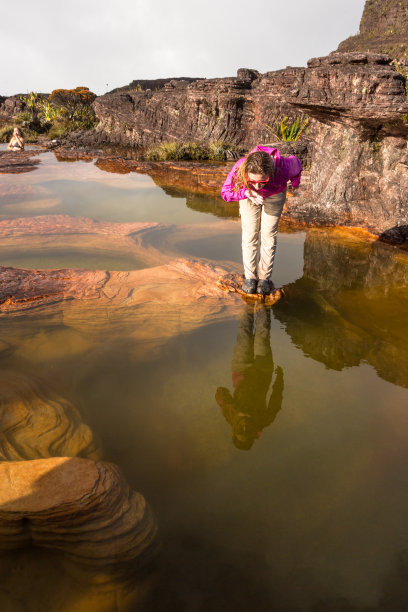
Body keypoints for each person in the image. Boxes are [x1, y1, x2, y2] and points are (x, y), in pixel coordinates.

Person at [221, 145, 301, 295]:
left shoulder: (284, 168)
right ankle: (250, 278)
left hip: (274, 194)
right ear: (246, 172)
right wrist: (247, 191)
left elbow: (297, 164)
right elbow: (225, 193)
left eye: (262, 182)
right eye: (253, 181)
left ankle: (264, 279)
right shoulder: (240, 168)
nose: (258, 186)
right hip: (247, 194)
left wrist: (295, 183)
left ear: (271, 173)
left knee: (268, 234)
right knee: (250, 234)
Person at [215, 303, 284, 450]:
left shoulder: (230, 416)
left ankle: (248, 300)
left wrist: (235, 407)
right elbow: (276, 398)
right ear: (256, 434)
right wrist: (280, 378)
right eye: (248, 432)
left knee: (244, 334)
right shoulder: (265, 419)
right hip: (263, 369)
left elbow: (219, 392)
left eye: (240, 430)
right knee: (262, 334)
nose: (245, 427)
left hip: (241, 368)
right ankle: (263, 303)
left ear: (234, 430)